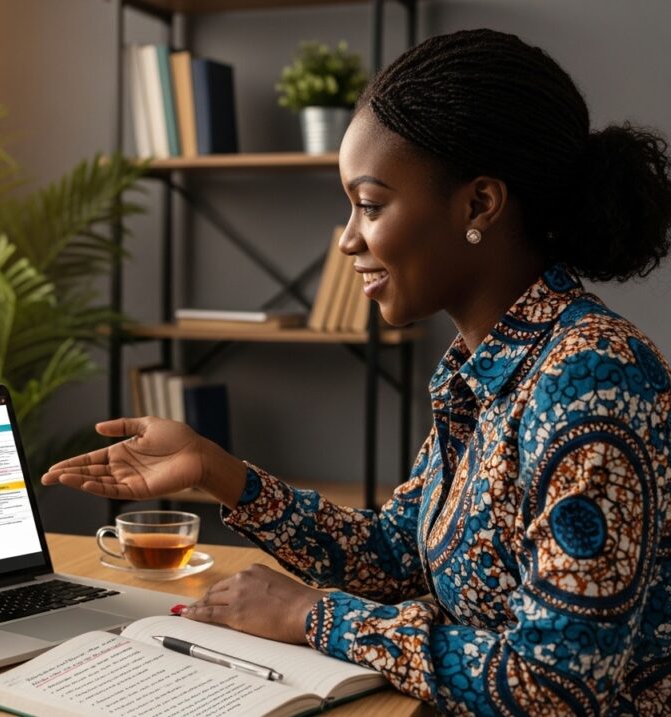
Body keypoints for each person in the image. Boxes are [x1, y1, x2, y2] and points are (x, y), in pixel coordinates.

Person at [42, 28, 671, 715]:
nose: (347, 239)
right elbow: (398, 556)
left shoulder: (591, 379)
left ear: (479, 205)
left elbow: (557, 686)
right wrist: (214, 469)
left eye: (369, 205)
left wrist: (314, 616)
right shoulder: (482, 370)